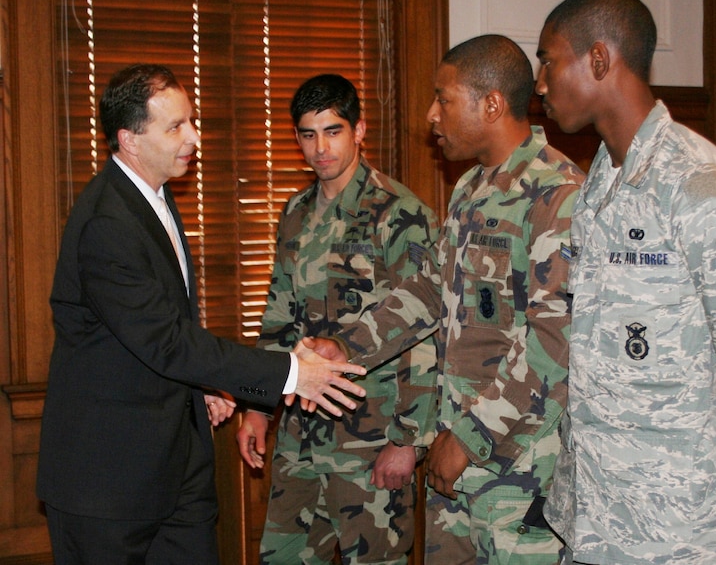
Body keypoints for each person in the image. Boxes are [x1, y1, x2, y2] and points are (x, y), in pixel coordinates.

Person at [36, 64, 366, 565]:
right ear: (128, 139)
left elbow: (159, 329)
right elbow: (164, 341)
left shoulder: (153, 198)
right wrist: (294, 374)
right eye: (176, 127)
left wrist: (203, 387)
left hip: (175, 470)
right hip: (108, 483)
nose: (194, 138)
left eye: (191, 121)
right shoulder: (108, 222)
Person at [534, 0, 716, 565]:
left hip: (672, 530)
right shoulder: (600, 182)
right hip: (593, 515)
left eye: (548, 60)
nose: (540, 82)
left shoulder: (699, 184)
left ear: (598, 59)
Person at [313, 35, 585, 564]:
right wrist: (345, 349)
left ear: (490, 104)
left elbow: (555, 344)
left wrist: (469, 437)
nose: (431, 113)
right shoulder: (470, 190)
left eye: (444, 98)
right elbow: (428, 292)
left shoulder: (559, 194)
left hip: (519, 471)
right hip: (454, 462)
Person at [235, 73, 439, 564]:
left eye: (332, 131)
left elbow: (426, 333)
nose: (320, 148)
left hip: (370, 441)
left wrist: (409, 442)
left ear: (359, 129)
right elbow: (279, 316)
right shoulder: (297, 212)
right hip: (300, 438)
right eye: (308, 134)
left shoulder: (399, 213)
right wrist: (259, 407)